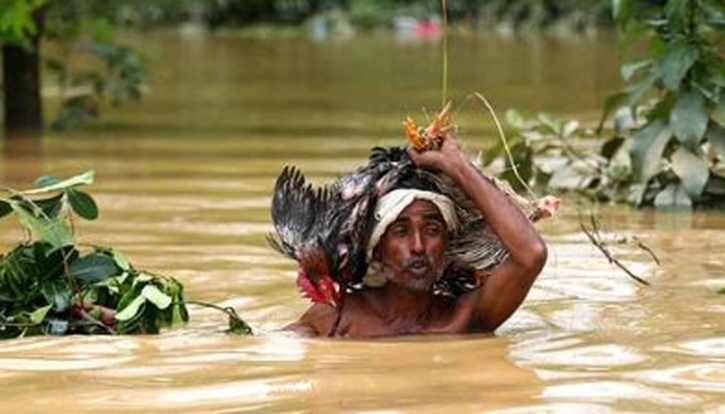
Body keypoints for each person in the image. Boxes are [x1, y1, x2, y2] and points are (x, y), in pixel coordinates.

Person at [285, 133, 548, 338]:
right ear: (376, 248)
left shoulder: (463, 320)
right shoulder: (334, 319)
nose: (418, 246)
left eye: (432, 231)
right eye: (401, 231)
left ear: (447, 245)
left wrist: (457, 165)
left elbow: (531, 254)